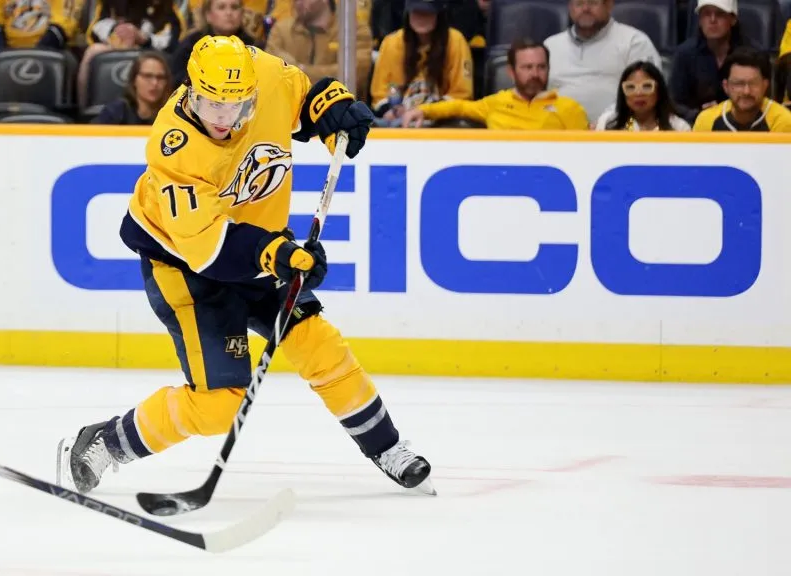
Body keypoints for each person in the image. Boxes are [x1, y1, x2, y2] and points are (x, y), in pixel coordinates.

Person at [57, 35, 435, 497]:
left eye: (235, 105)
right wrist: (277, 254)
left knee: (320, 345)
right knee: (218, 407)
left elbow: (305, 100)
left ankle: (387, 448)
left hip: (260, 246)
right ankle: (105, 442)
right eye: (210, 103)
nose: (222, 117)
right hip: (186, 265)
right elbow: (209, 248)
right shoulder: (175, 149)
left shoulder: (269, 76)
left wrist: (331, 110)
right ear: (191, 90)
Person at [401, 38, 588, 130]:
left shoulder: (569, 108)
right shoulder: (496, 103)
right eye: (527, 67)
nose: (535, 74)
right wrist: (423, 110)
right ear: (511, 72)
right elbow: (460, 106)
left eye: (541, 67)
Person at [694, 46, 791, 132]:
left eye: (753, 83)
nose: (746, 91)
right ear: (726, 86)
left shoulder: (784, 122)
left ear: (765, 85)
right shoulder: (707, 121)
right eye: (738, 84)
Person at [595, 61, 690, 131]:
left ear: (659, 91)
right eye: (631, 87)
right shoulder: (608, 123)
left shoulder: (679, 128)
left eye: (647, 86)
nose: (638, 93)